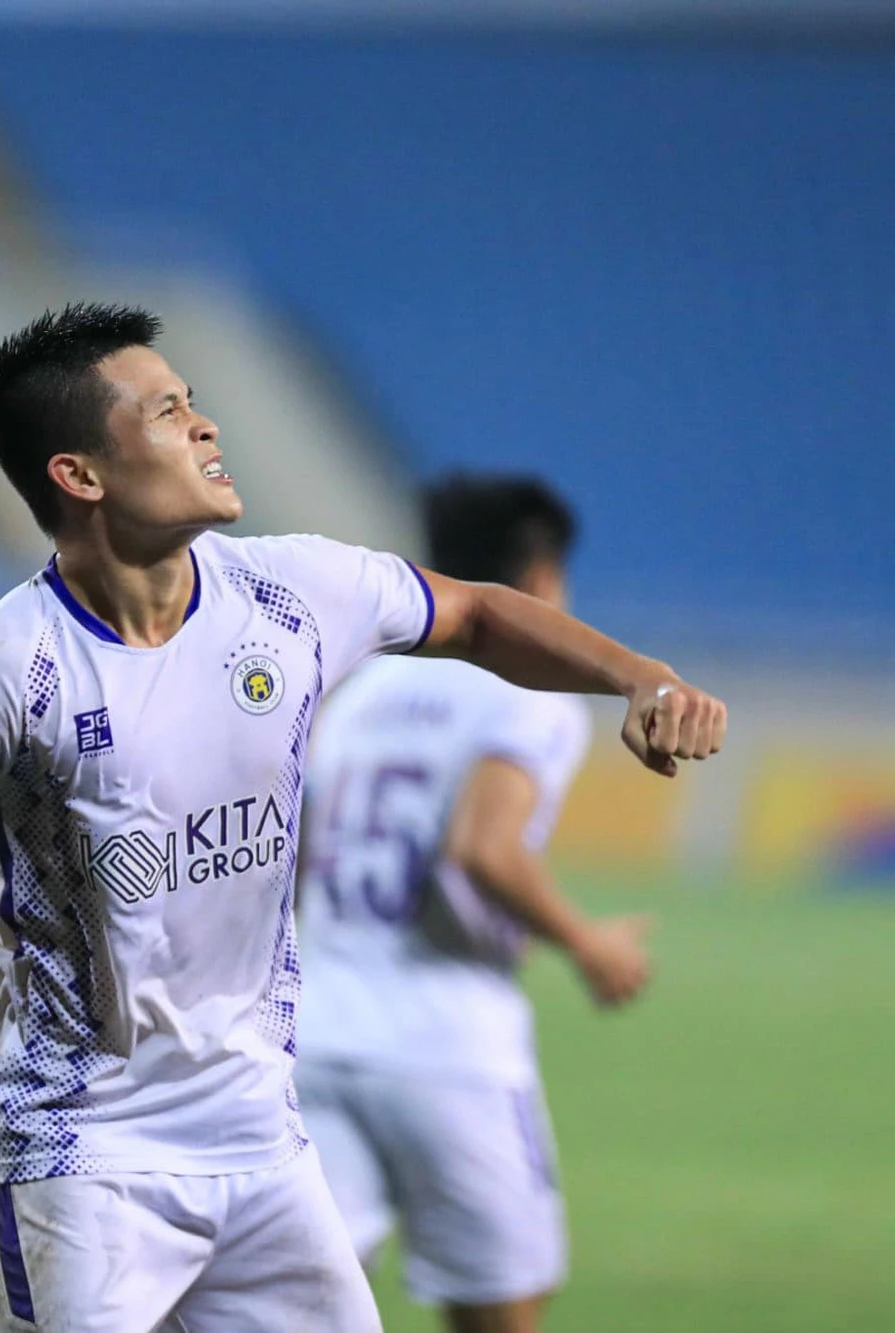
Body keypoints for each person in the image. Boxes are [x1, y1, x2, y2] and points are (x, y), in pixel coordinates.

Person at [0, 305, 725, 1333]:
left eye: (196, 403)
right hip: (82, 1157)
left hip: (261, 1138)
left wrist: (638, 678)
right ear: (79, 475)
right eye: (167, 412)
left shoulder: (292, 590)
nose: (204, 427)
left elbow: (476, 614)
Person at [294, 476, 645, 1333]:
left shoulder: (358, 691)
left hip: (316, 1038)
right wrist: (585, 940)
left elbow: (297, 855)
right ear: (543, 581)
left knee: (292, 1309)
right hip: (451, 1047)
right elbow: (483, 847)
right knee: (498, 1312)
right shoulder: (533, 694)